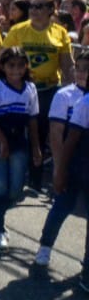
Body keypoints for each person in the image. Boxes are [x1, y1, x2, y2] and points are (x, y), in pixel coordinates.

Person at [0, 46, 41, 250]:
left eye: (20, 65)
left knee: (15, 189)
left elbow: (32, 121)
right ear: (3, 67)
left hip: (19, 143)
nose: (16, 70)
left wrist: (36, 148)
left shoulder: (30, 89)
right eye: (11, 65)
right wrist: (2, 142)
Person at [34, 52, 89, 270]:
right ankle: (45, 246)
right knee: (62, 207)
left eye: (88, 69)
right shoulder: (65, 96)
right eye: (80, 67)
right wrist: (59, 169)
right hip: (72, 163)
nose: (84, 73)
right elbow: (57, 135)